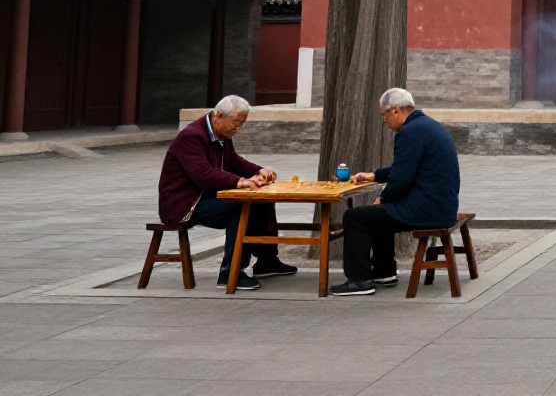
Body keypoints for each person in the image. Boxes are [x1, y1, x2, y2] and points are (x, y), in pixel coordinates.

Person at [156, 95, 298, 290]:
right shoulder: (192, 136)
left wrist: (258, 171)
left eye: (242, 124)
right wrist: (240, 182)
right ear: (219, 116)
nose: (238, 129)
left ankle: (266, 260)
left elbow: (234, 161)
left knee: (261, 200)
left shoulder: (222, 135)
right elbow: (201, 174)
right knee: (240, 207)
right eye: (237, 123)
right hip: (185, 204)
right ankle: (231, 273)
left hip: (205, 196)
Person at [330, 88, 461, 296]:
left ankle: (360, 280)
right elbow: (405, 168)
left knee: (356, 217)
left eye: (384, 116)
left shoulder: (409, 132)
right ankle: (384, 271)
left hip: (427, 210)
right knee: (381, 214)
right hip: (441, 205)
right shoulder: (427, 126)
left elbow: (401, 180)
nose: (385, 122)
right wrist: (374, 175)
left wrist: (383, 197)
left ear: (395, 111)